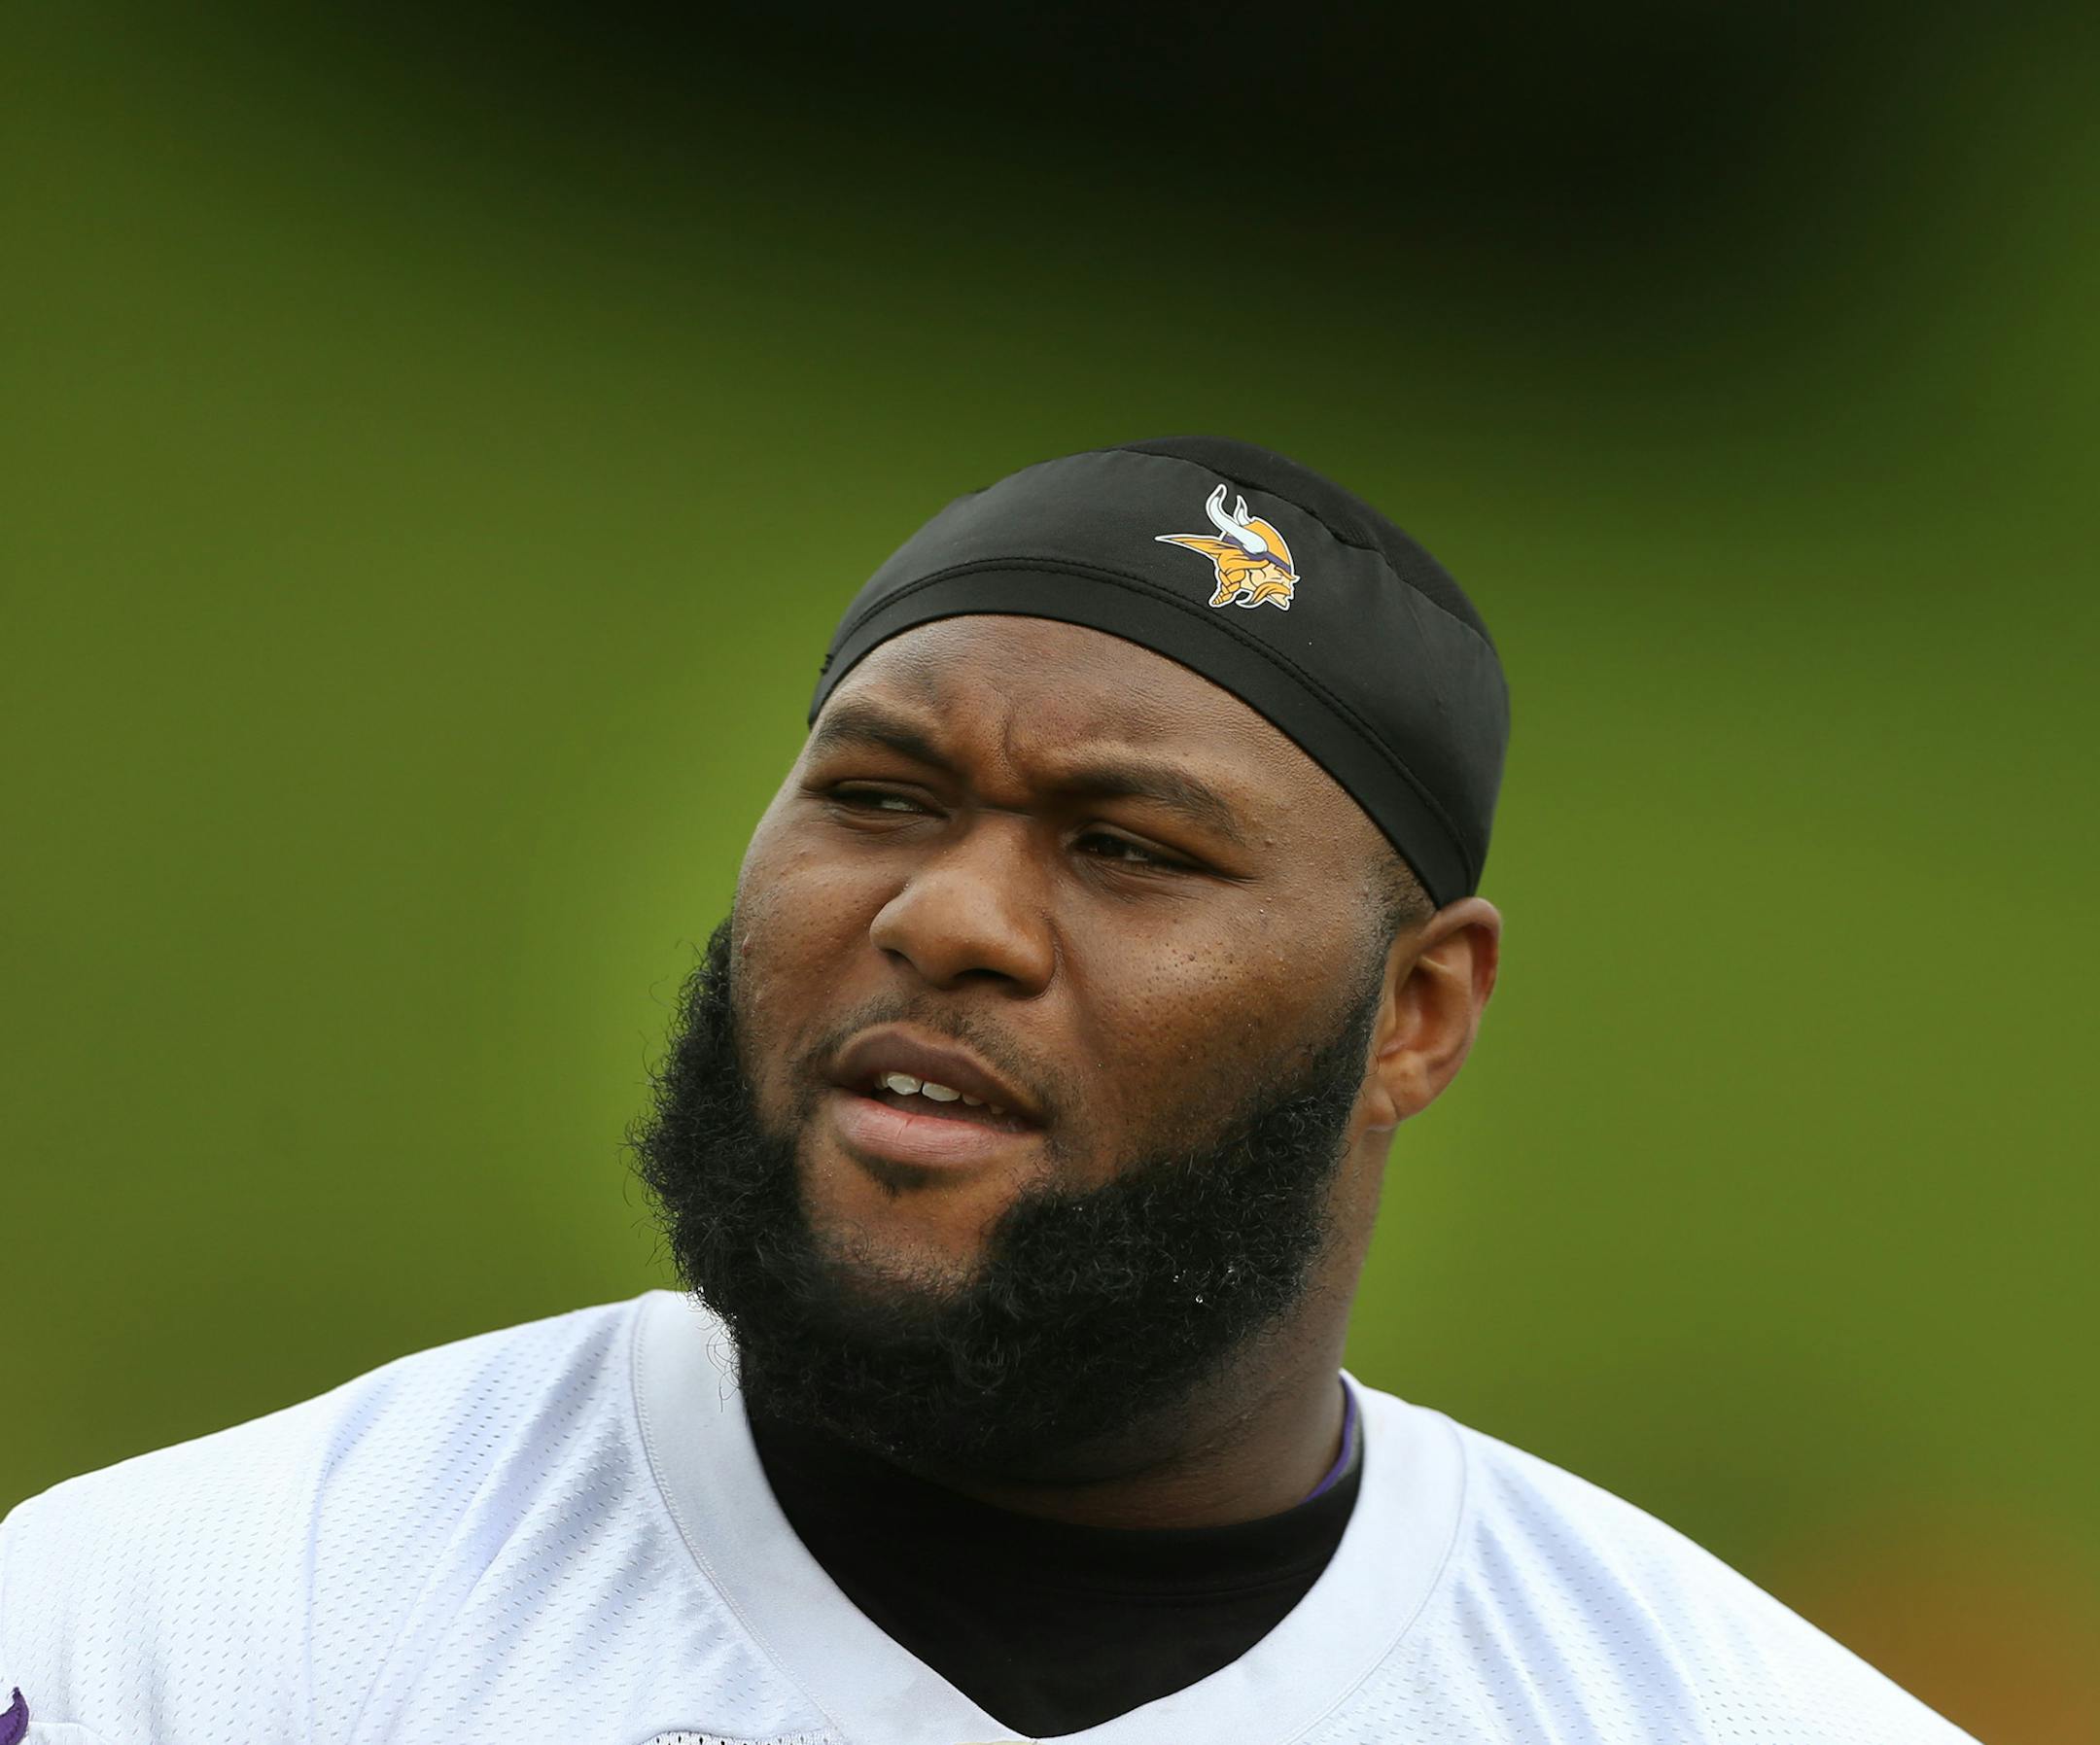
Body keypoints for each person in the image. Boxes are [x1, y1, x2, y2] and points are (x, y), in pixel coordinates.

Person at [0, 436, 1971, 1744]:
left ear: (1417, 1016)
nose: (949, 916)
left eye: (1128, 847)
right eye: (877, 798)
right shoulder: (208, 1629)